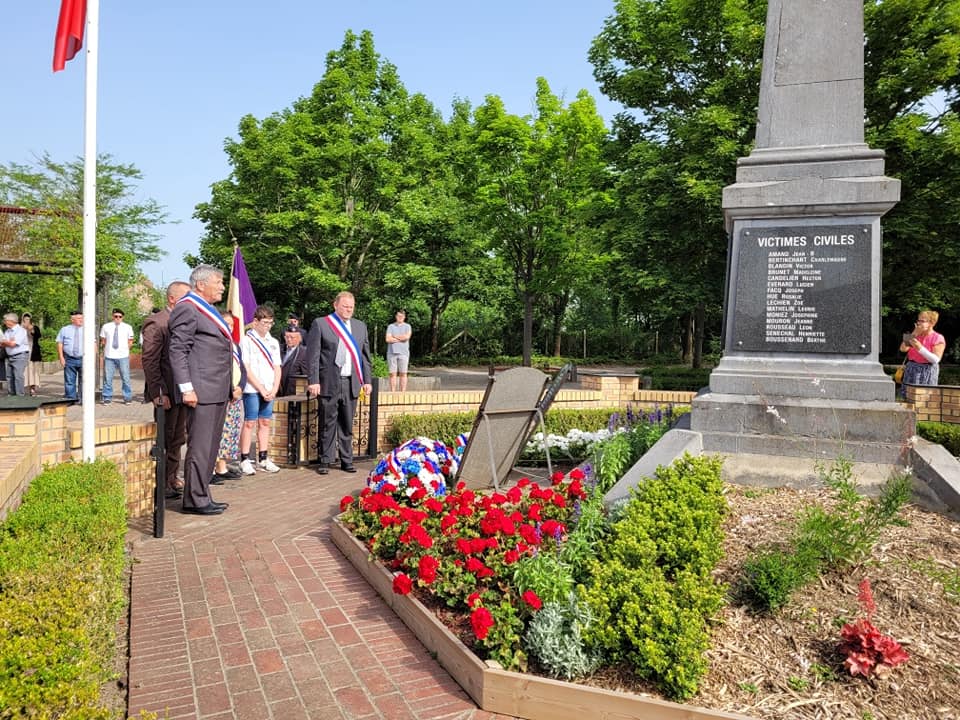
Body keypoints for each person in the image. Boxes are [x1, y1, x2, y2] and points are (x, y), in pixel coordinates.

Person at [168, 265, 232, 516]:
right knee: (200, 446)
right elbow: (178, 350)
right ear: (201, 284)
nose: (222, 287)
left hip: (217, 389)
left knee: (210, 447)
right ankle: (194, 499)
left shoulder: (208, 309)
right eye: (219, 282)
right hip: (201, 390)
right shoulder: (187, 308)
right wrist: (187, 388)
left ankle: (201, 494)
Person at [307, 291, 373, 475]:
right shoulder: (321, 324)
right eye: (345, 306)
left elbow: (365, 357)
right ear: (335, 305)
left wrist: (367, 380)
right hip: (328, 382)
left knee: (347, 424)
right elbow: (313, 356)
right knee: (327, 423)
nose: (348, 310)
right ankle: (325, 460)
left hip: (351, 382)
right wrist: (313, 380)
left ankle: (346, 460)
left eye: (351, 307)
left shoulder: (360, 327)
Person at [141, 281, 191, 499]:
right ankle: (161, 483)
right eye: (185, 297)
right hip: (166, 392)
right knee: (165, 437)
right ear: (172, 299)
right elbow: (150, 360)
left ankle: (171, 478)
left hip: (182, 391)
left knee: (178, 437)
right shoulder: (157, 322)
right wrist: (158, 392)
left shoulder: (183, 321)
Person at [238, 305, 282, 475]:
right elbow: (246, 368)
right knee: (250, 422)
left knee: (265, 422)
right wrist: (261, 388)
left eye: (270, 323)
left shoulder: (273, 342)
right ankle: (244, 458)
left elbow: (277, 366)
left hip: (269, 388)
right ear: (255, 322)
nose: (267, 326)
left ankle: (263, 457)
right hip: (252, 388)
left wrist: (275, 387)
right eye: (264, 323)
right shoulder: (247, 340)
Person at [212, 310, 246, 484]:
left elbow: (242, 369)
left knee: (230, 433)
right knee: (217, 433)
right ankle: (210, 469)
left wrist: (240, 387)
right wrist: (228, 390)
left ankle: (222, 467)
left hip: (235, 395)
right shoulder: (214, 344)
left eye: (232, 325)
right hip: (221, 395)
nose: (230, 327)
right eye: (226, 323)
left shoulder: (235, 345)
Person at [900, 309, 946, 392]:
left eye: (922, 321)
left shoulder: (938, 337)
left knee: (925, 396)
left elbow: (936, 360)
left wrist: (920, 348)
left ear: (932, 323)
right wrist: (914, 333)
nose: (919, 323)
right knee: (908, 396)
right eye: (918, 320)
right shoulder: (913, 334)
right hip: (911, 369)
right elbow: (903, 349)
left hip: (927, 371)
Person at [99, 308, 136, 404]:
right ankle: (107, 397)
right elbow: (103, 340)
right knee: (108, 378)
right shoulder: (106, 327)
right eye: (116, 316)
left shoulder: (127, 327)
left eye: (120, 316)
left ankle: (127, 397)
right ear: (113, 316)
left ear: (123, 317)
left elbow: (130, 341)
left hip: (123, 356)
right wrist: (105, 350)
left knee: (126, 378)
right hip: (109, 356)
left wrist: (125, 350)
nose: (118, 318)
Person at [56, 310, 84, 402]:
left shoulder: (87, 329)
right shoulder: (65, 329)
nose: (81, 320)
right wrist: (61, 357)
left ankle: (82, 398)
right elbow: (60, 343)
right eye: (79, 318)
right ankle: (70, 399)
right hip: (69, 358)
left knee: (84, 380)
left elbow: (93, 344)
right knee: (69, 380)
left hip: (84, 359)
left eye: (82, 318)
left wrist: (93, 358)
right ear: (72, 320)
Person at [1, 312, 30, 396]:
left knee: (18, 376)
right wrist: (7, 342)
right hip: (10, 356)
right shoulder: (7, 331)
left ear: (11, 321)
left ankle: (20, 396)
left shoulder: (21, 330)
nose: (4, 322)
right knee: (9, 377)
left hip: (20, 356)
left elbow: (13, 344)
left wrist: (7, 342)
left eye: (5, 320)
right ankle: (11, 395)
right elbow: (2, 344)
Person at [385, 309, 412, 392]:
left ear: (404, 317)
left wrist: (394, 336)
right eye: (398, 316)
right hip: (391, 353)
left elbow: (406, 337)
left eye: (402, 316)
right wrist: (401, 338)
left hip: (404, 353)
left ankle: (402, 393)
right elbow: (388, 339)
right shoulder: (391, 326)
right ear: (396, 316)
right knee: (392, 374)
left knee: (403, 373)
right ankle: (392, 392)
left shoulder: (407, 326)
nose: (400, 317)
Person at [280, 324, 309, 396]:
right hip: (278, 389)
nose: (289, 339)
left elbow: (306, 374)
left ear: (299, 338)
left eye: (292, 337)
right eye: (287, 337)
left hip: (293, 391)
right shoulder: (279, 349)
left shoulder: (303, 352)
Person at [21, 313, 42, 396]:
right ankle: (21, 389)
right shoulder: (19, 329)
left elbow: (38, 335)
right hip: (22, 353)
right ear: (22, 320)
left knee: (33, 371)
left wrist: (31, 330)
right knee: (24, 371)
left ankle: (32, 389)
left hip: (33, 353)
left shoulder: (34, 327)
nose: (27, 320)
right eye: (25, 319)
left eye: (28, 319)